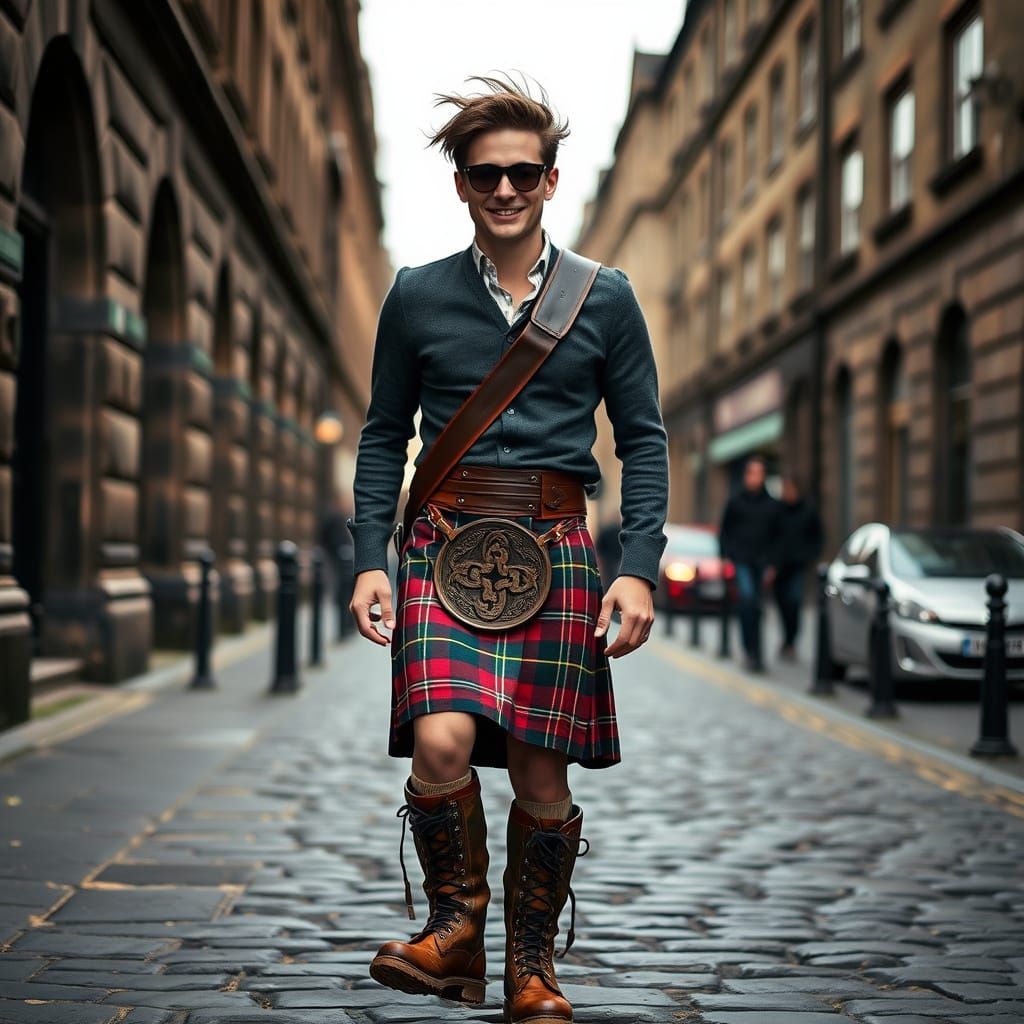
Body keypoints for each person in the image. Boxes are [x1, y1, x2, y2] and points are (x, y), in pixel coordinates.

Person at [346, 76, 669, 1024]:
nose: (505, 189)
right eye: (486, 174)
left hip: (558, 547)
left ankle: (531, 968)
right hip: (446, 548)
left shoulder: (604, 299)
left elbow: (643, 437)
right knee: (441, 736)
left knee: (538, 767)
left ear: (551, 179)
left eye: (523, 172)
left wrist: (639, 566)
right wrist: (374, 555)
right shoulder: (415, 297)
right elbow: (380, 434)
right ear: (461, 184)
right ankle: (455, 934)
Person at [718, 455, 781, 673]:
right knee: (747, 599)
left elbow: (777, 537)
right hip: (741, 559)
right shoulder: (736, 502)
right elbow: (725, 531)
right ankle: (749, 649)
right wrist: (726, 556)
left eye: (758, 473)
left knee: (757, 606)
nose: (754, 477)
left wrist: (773, 564)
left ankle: (757, 652)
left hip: (762, 562)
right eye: (750, 473)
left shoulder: (772, 505)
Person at [773, 473, 823, 660]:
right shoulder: (777, 510)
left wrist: (810, 556)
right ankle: (786, 639)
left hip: (798, 566)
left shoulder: (808, 510)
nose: (788, 493)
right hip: (779, 567)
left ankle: (791, 641)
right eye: (785, 489)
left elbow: (817, 536)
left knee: (794, 602)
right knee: (782, 604)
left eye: (790, 489)